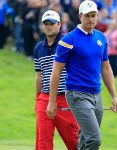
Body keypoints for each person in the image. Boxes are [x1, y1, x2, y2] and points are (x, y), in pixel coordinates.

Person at [47, 0, 117, 150]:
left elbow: (106, 68)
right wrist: (52, 101)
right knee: (94, 139)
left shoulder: (101, 38)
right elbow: (56, 72)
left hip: (96, 94)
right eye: (87, 16)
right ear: (80, 16)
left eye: (94, 15)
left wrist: (114, 96)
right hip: (77, 94)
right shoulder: (68, 39)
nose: (91, 19)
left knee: (86, 137)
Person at [33, 10, 79, 150]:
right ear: (42, 26)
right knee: (43, 143)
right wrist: (38, 98)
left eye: (52, 23)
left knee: (74, 141)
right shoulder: (38, 48)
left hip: (65, 99)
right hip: (44, 98)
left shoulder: (68, 43)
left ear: (59, 24)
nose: (49, 27)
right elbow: (39, 76)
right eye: (46, 24)